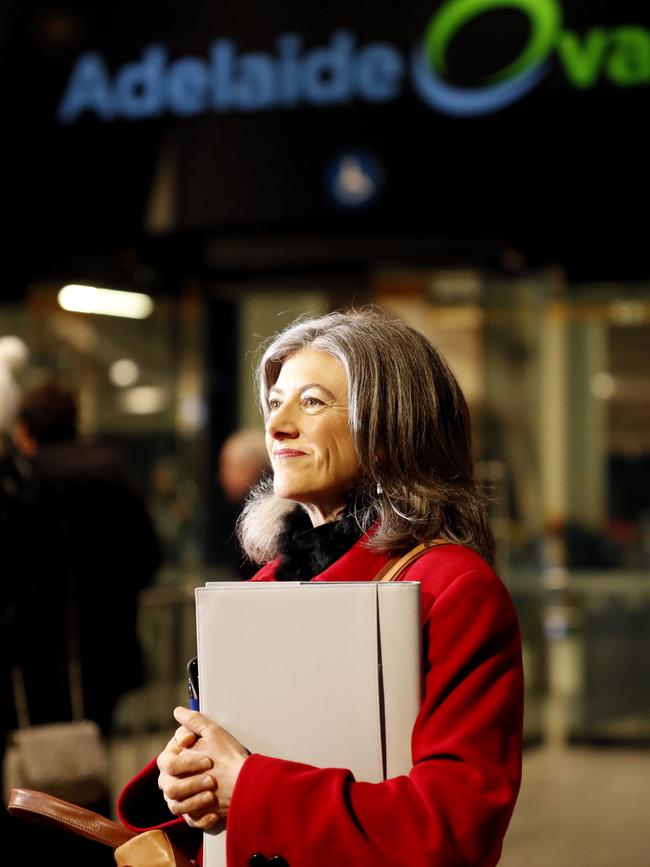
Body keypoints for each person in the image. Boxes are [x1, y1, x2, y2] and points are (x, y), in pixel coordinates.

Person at [117, 309, 524, 867]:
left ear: (390, 426)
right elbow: (226, 774)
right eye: (275, 402)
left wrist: (251, 786)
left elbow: (455, 828)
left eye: (310, 402)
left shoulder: (452, 589)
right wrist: (188, 781)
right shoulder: (267, 584)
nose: (278, 426)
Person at [6, 382, 162, 735]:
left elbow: (18, 567)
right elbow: (148, 553)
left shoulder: (29, 481)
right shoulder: (115, 472)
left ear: (27, 430)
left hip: (40, 646)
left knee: (45, 752)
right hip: (111, 637)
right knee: (93, 742)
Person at [213, 428, 269, 579]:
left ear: (250, 469)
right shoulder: (237, 512)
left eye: (227, 466)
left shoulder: (266, 520)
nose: (221, 476)